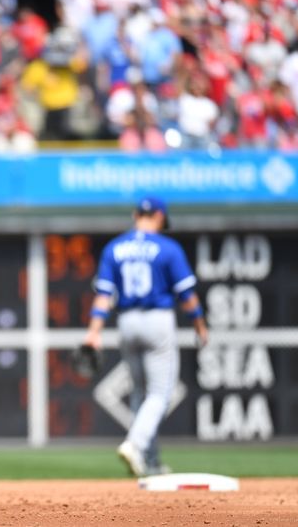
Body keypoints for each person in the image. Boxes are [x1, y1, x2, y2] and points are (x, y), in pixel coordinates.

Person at [82, 196, 208, 477]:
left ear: (134, 214)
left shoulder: (114, 248)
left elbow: (104, 296)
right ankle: (136, 445)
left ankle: (149, 461)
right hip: (157, 320)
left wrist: (94, 331)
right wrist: (199, 324)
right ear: (160, 218)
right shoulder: (167, 248)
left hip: (126, 322)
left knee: (140, 392)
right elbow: (186, 296)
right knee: (160, 393)